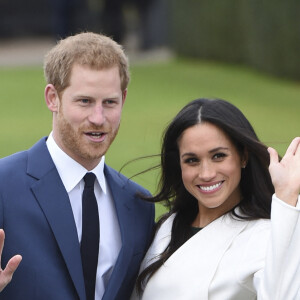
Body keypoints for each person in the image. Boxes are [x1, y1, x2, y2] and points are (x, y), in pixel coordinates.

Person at [0, 32, 155, 300]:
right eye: (84, 101)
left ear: (124, 100)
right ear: (53, 98)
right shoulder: (4, 185)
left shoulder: (138, 204)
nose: (98, 118)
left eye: (109, 102)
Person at [132, 98, 300, 299]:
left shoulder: (264, 236)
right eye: (192, 160)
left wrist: (287, 195)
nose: (206, 173)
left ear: (243, 157)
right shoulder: (166, 227)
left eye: (218, 156)